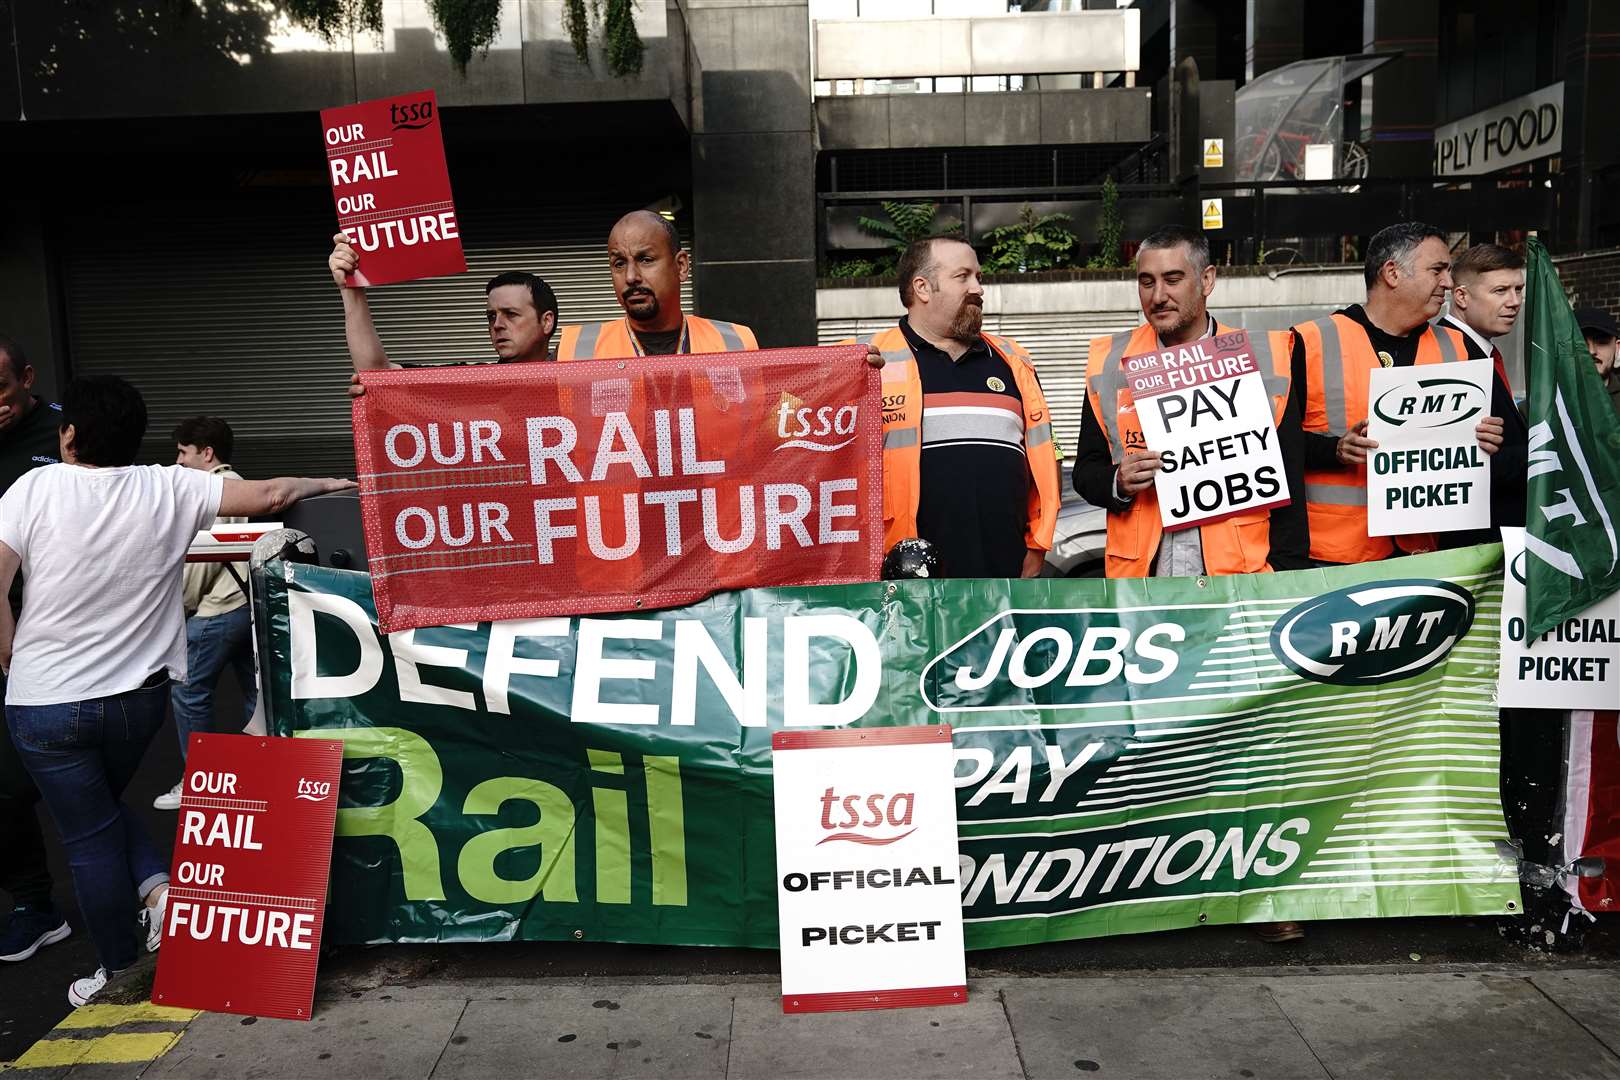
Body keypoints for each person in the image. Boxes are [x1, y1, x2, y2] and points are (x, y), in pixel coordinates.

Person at [0, 375, 354, 1006]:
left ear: (69, 434)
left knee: (87, 836)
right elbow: (271, 494)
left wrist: (6, 649)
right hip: (137, 702)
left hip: (45, 701)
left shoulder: (35, 486)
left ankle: (117, 972)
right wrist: (325, 483)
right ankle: (161, 894)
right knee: (101, 814)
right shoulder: (170, 484)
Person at [1074, 225, 1308, 577]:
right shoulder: (1110, 363)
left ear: (1207, 280)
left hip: (1240, 583)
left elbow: (1290, 483)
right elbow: (1085, 471)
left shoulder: (1264, 359)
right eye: (1147, 281)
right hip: (1144, 584)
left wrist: (1286, 577)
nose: (1157, 296)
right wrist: (1117, 481)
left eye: (1172, 279)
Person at [1294, 222, 1505, 565]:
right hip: (1331, 560)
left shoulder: (1458, 347)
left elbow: (1490, 447)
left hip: (1426, 552)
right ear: (1392, 273)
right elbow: (1272, 446)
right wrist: (1334, 449)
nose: (1449, 283)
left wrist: (1488, 437)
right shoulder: (1310, 341)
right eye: (1437, 270)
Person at [862, 237, 1060, 578]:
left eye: (979, 277)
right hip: (904, 579)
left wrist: (1037, 545)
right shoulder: (868, 362)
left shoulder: (1013, 361)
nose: (978, 289)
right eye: (963, 276)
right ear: (922, 287)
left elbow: (1045, 455)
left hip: (1006, 572)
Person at [0, 336, 69, 966]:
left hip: (48, 632)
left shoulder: (63, 437)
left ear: (26, 377)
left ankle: (35, 905)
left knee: (24, 780)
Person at [151, 417, 256, 811]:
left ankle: (202, 783)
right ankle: (259, 772)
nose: (177, 461)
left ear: (206, 453)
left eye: (183, 452)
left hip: (215, 612)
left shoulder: (213, 491)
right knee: (257, 695)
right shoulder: (241, 484)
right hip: (246, 605)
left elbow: (201, 565)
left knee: (189, 692)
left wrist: (180, 608)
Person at [328, 231, 559, 391]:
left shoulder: (588, 377)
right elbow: (377, 374)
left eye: (511, 314)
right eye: (491, 316)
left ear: (546, 321)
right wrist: (350, 287)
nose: (497, 324)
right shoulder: (471, 384)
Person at [556, 211, 757, 358]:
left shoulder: (735, 343)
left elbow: (767, 413)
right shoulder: (574, 350)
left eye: (645, 260)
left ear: (681, 266)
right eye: (619, 264)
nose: (630, 277)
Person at [1436, 243, 1530, 548]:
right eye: (1500, 290)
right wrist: (1547, 453)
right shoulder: (1445, 353)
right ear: (1461, 296)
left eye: (1519, 289)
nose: (1514, 302)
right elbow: (1460, 464)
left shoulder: (1480, 351)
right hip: (1474, 545)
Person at [1575, 308, 1620, 416]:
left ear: (1617, 349)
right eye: (1580, 342)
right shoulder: (1543, 406)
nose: (1591, 351)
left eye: (1601, 342)